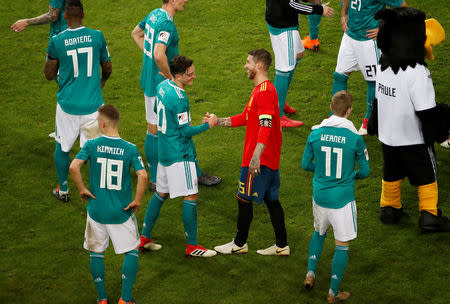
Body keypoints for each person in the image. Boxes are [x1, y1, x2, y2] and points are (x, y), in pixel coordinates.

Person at [368, 8, 450, 232]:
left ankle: (389, 209)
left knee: (391, 172)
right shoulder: (418, 73)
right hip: (413, 139)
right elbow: (426, 111)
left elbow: (378, 100)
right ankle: (430, 215)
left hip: (387, 136)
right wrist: (440, 133)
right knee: (427, 175)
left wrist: (373, 124)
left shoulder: (382, 64)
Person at [131, 0, 220, 191]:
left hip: (149, 82)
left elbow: (136, 34)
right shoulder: (166, 23)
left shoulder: (154, 14)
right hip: (162, 85)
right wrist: (172, 79)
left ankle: (155, 178)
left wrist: (150, 59)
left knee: (153, 128)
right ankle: (193, 173)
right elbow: (158, 54)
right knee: (181, 128)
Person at [139, 55, 217, 257]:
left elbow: (157, 111)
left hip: (163, 152)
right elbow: (185, 132)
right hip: (179, 154)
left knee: (161, 193)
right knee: (191, 194)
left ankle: (144, 237)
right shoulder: (180, 99)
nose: (194, 77)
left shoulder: (163, 86)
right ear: (179, 75)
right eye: (190, 74)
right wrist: (208, 124)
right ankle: (192, 246)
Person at [214, 49, 289, 256]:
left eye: (248, 62)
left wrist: (255, 157)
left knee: (243, 199)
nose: (245, 66)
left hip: (258, 161)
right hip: (270, 159)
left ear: (260, 66)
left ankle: (239, 244)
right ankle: (282, 245)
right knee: (272, 200)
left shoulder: (264, 92)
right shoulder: (263, 89)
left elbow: (265, 125)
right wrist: (218, 121)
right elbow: (246, 117)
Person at [70, 105, 146, 304]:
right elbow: (143, 175)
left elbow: (74, 167)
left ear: (102, 124)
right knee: (131, 251)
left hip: (96, 210)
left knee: (97, 252)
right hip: (121, 212)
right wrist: (137, 200)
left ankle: (102, 299)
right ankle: (125, 299)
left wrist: (81, 189)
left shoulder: (91, 145)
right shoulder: (130, 148)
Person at [301, 91, 370, 303]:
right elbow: (365, 172)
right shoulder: (355, 139)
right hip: (342, 200)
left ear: (331, 108)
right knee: (342, 244)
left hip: (320, 197)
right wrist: (349, 176)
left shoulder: (315, 133)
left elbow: (305, 165)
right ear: (349, 111)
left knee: (319, 232)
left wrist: (322, 171)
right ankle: (333, 292)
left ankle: (310, 273)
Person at [44, 0, 112, 202]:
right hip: (93, 106)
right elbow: (107, 68)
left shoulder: (57, 40)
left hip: (67, 106)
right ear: (83, 15)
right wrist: (102, 82)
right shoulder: (97, 36)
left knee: (62, 146)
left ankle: (63, 189)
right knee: (96, 148)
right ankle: (99, 191)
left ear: (65, 17)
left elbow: (48, 74)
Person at [331, 0, 407, 136]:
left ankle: (369, 119)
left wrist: (384, 29)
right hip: (349, 36)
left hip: (368, 42)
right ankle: (335, 117)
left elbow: (404, 8)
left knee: (373, 81)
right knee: (339, 76)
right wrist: (343, 13)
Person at [265, 0, 334, 128]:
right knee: (284, 70)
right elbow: (291, 4)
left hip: (281, 20)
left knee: (298, 55)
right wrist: (319, 9)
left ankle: (280, 99)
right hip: (284, 28)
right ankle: (277, 116)